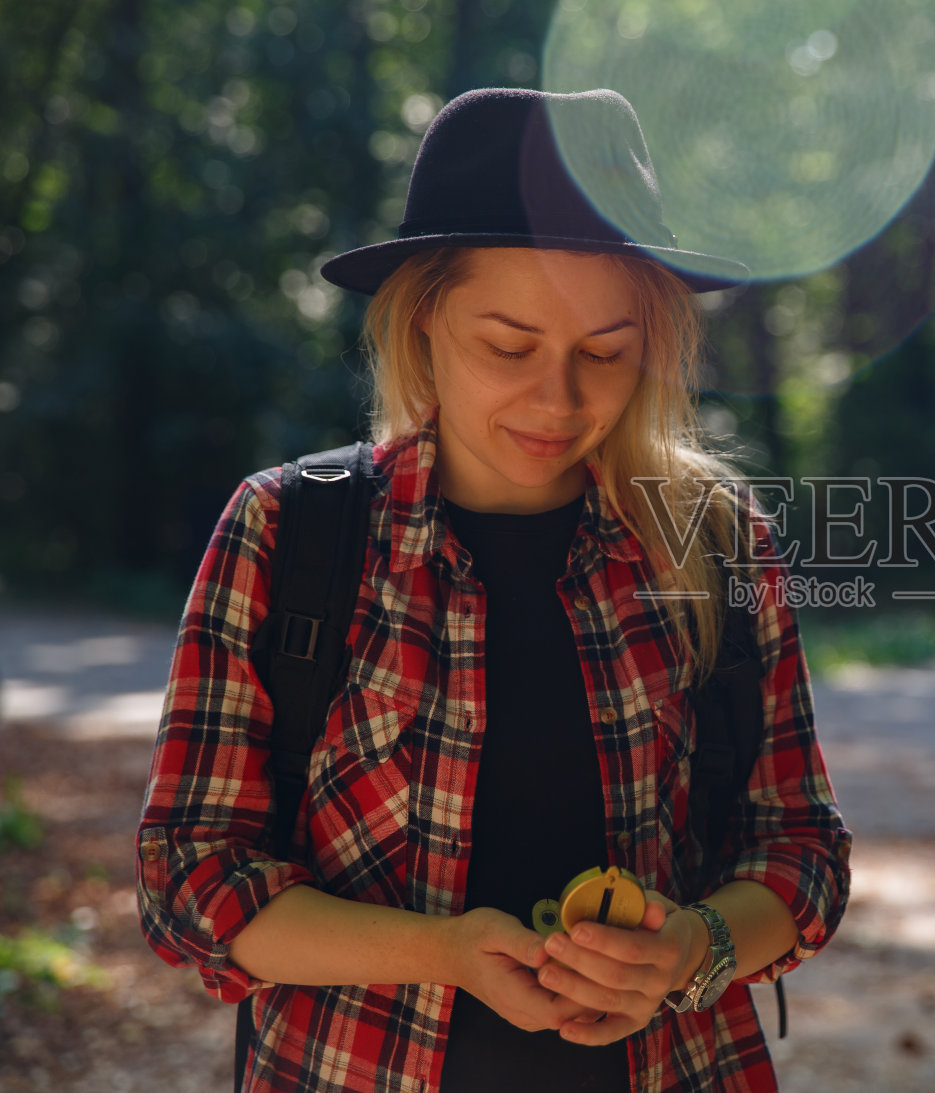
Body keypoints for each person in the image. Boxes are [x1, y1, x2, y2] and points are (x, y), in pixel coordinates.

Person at [135, 87, 852, 1093]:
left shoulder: (717, 537)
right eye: (507, 346)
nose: (557, 400)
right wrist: (443, 952)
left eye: (605, 352)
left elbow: (801, 849)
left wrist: (693, 947)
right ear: (424, 320)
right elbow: (189, 879)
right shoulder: (288, 531)